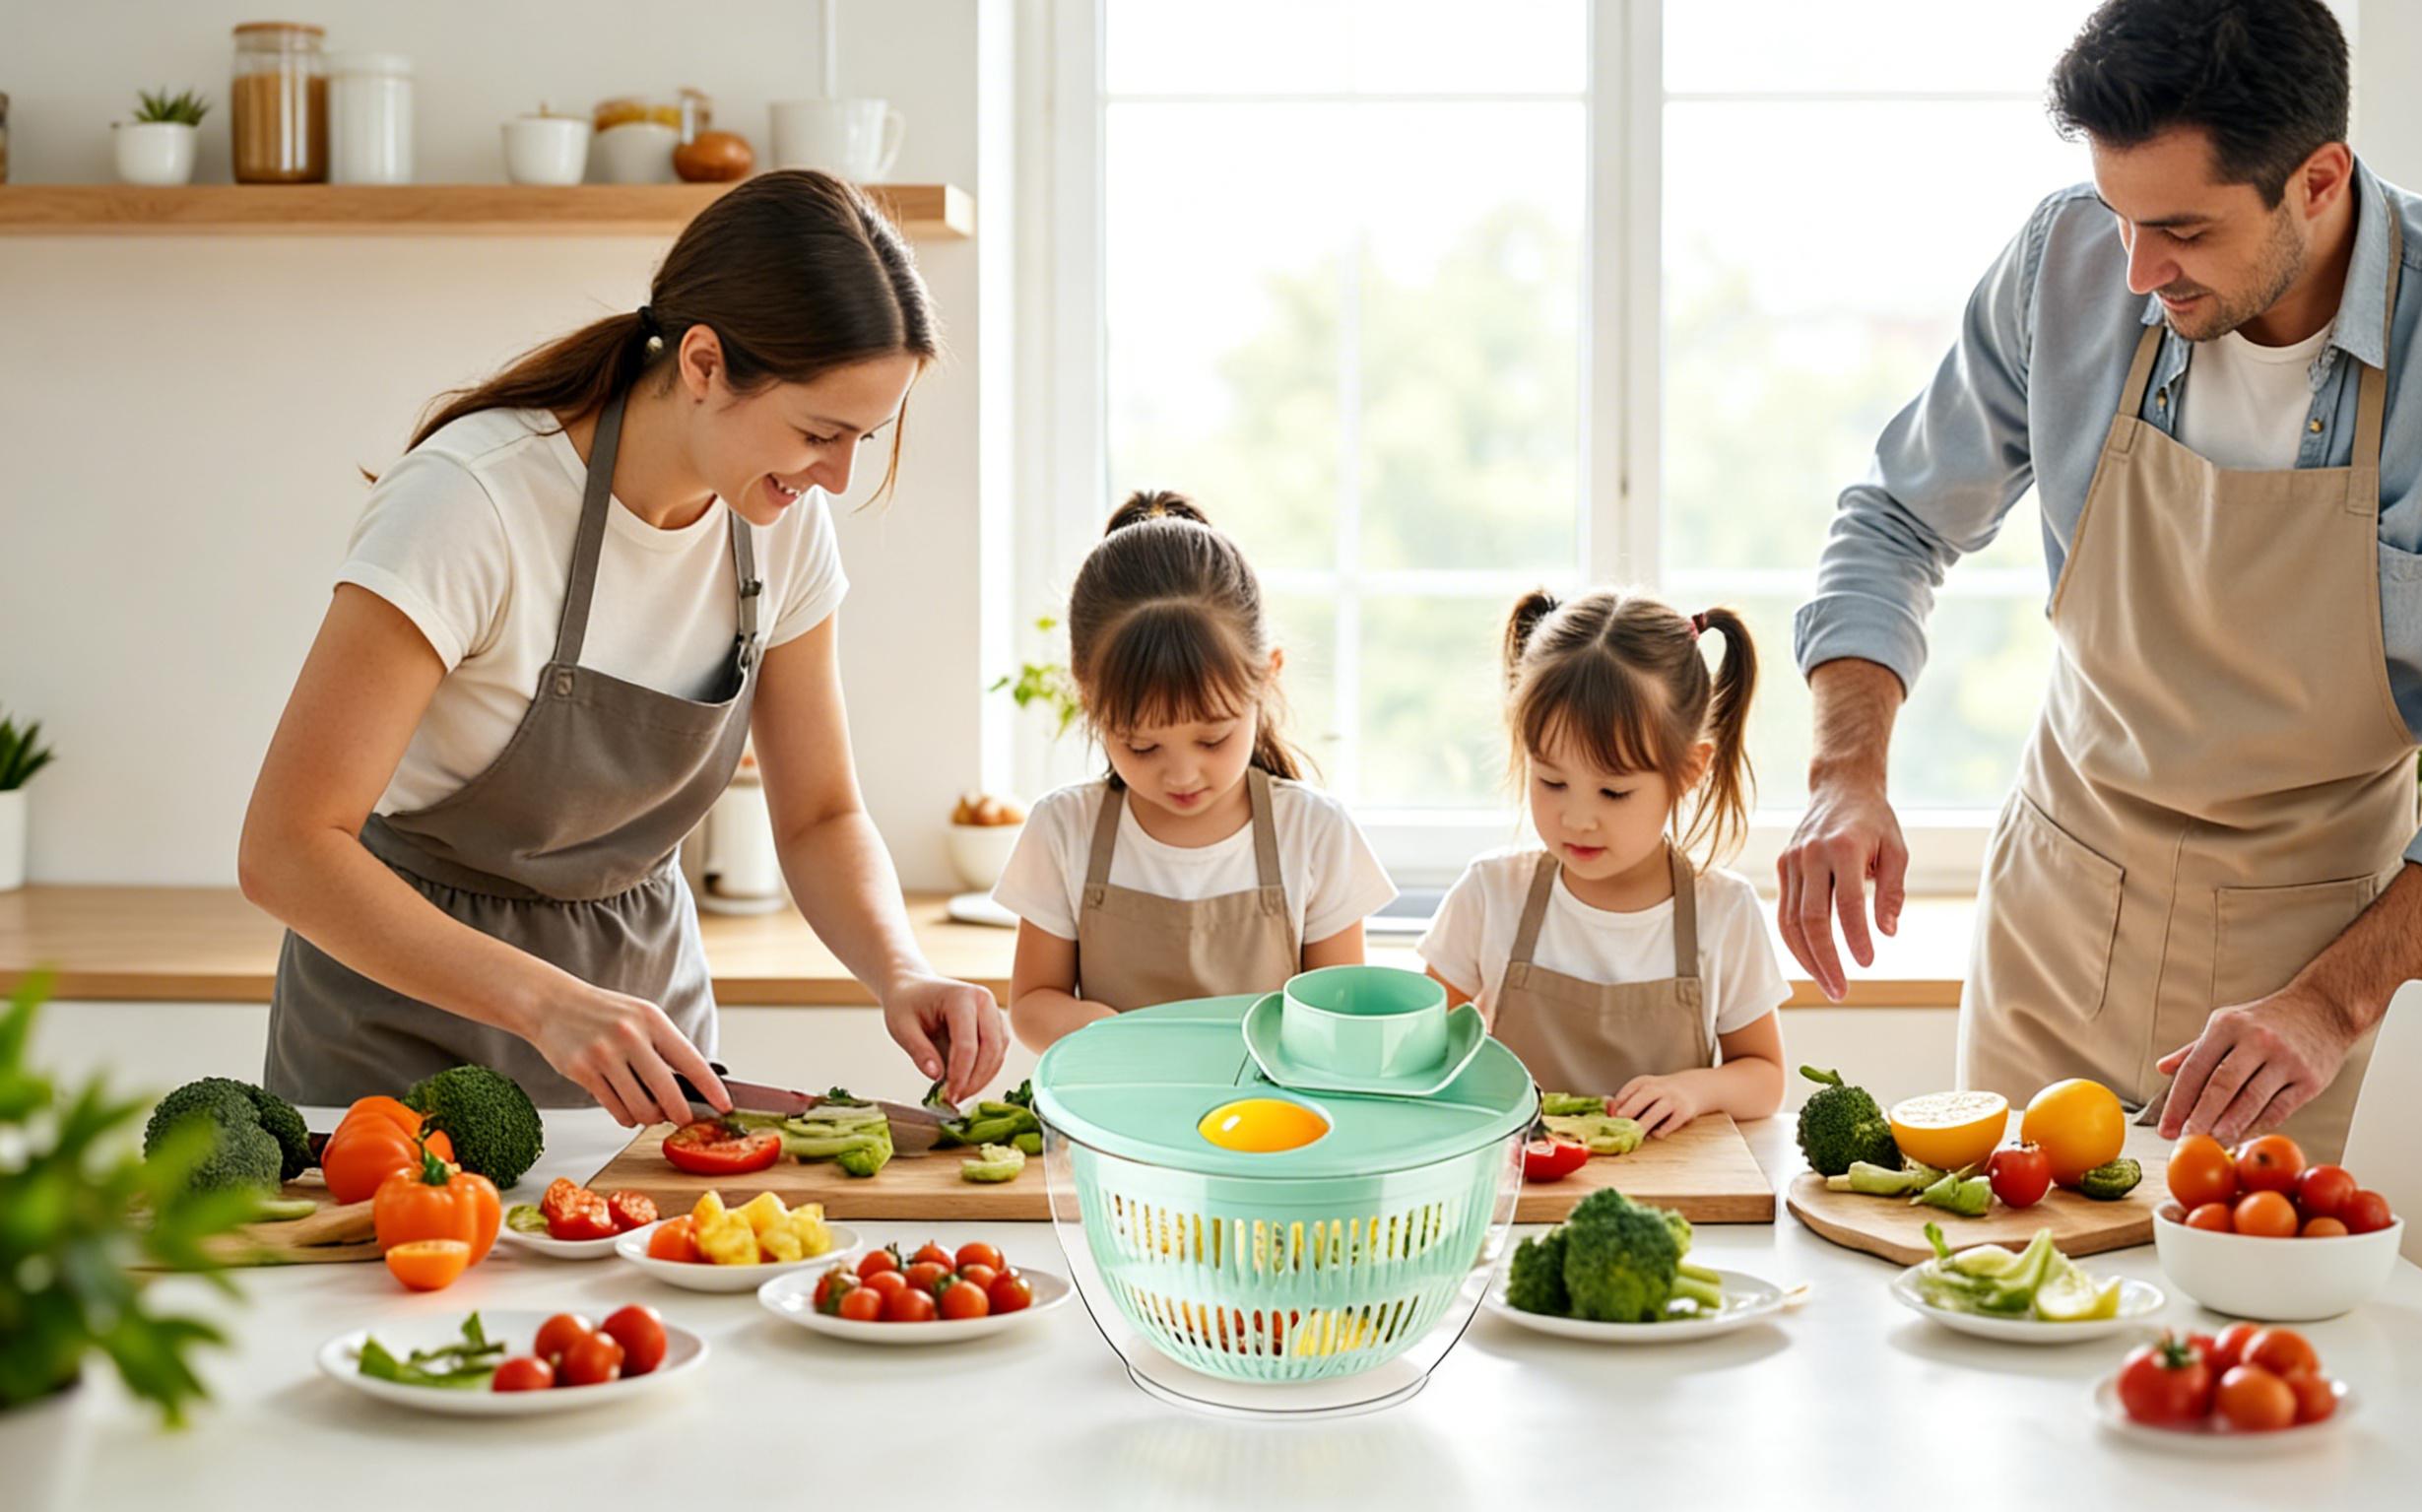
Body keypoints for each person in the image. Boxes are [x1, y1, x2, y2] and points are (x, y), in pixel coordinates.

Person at [1776, 0, 2422, 1161]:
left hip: (2310, 990)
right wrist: (1844, 773)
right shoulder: (2066, 261)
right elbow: (1895, 517)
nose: (2136, 268)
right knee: (1998, 1272)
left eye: (2180, 227)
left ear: (2318, 180)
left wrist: (2330, 1005)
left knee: (2258, 1287)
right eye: (2120, 215)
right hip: (2054, 936)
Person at [244, 171, 1011, 1127]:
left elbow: (819, 814)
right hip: (397, 1044)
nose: (839, 477)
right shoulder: (471, 502)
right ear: (704, 363)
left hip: (648, 1054)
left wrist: (902, 970)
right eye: (821, 431)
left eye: (865, 436)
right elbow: (286, 848)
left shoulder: (777, 521)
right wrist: (546, 1002)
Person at [994, 493, 1396, 1047]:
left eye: (1212, 739)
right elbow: (1033, 1003)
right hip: (1113, 1097)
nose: (1182, 775)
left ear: (1267, 677)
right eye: (1142, 746)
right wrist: (1112, 1038)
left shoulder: (1314, 833)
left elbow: (1339, 1019)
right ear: (1087, 695)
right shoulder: (1064, 830)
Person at [1421, 589, 1787, 1136]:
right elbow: (1424, 1049)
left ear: (1689, 771)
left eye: (1613, 792)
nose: (1577, 819)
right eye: (1552, 781)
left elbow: (1765, 1078)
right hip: (1521, 1178)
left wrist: (1694, 1090)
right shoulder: (1490, 894)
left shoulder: (1724, 911)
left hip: (1671, 1180)